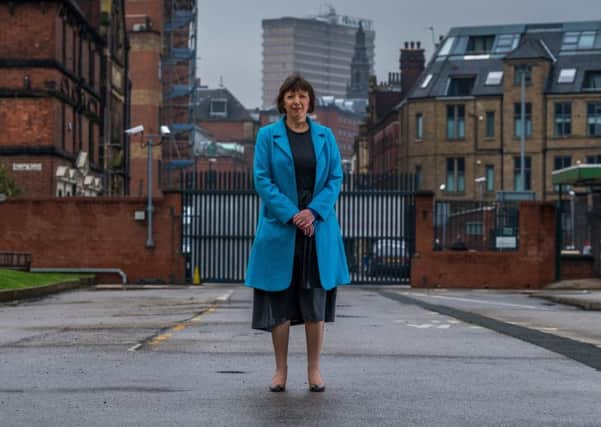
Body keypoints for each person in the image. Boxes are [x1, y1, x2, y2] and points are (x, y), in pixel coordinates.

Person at [245, 74, 350, 393]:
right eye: (291, 95)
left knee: (314, 301)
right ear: (282, 102)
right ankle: (280, 370)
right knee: (280, 300)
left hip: (317, 229)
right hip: (281, 229)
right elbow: (262, 180)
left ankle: (314, 370)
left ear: (310, 102)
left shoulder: (326, 136)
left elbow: (335, 178)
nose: (297, 101)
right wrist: (293, 214)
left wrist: (312, 212)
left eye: (303, 96)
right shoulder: (267, 136)